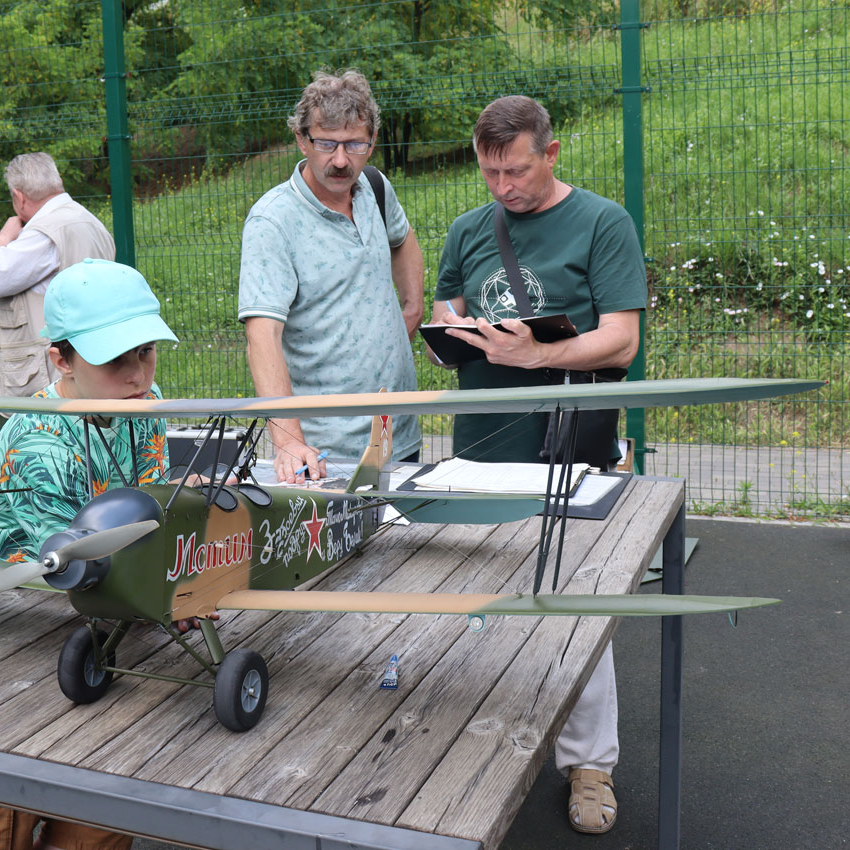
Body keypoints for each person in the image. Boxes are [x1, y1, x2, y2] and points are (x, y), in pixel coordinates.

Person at [430, 95, 647, 835]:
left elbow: (620, 341)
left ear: (551, 154)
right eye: (488, 172)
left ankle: (589, 762)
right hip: (482, 443)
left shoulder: (601, 222)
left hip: (569, 446)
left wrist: (539, 351)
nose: (502, 187)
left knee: (576, 601)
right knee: (482, 591)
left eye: (515, 170)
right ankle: (485, 733)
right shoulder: (467, 228)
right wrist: (454, 329)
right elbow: (446, 305)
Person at [0, 258, 177, 850]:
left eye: (145, 352)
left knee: (102, 805)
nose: (137, 374)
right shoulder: (40, 443)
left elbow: (155, 510)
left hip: (95, 620)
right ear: (61, 359)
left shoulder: (144, 406)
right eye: (116, 359)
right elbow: (73, 571)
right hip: (0, 616)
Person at [238, 69, 425, 483]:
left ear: (372, 142)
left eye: (355, 144)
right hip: (328, 455)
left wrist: (412, 308)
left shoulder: (374, 187)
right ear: (302, 140)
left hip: (400, 434)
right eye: (327, 143)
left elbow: (403, 238)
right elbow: (262, 336)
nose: (341, 160)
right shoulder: (273, 222)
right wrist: (288, 441)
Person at [0, 152, 115, 398]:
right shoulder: (92, 223)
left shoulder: (43, 232)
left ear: (19, 198)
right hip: (92, 359)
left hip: (52, 377)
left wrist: (3, 237)